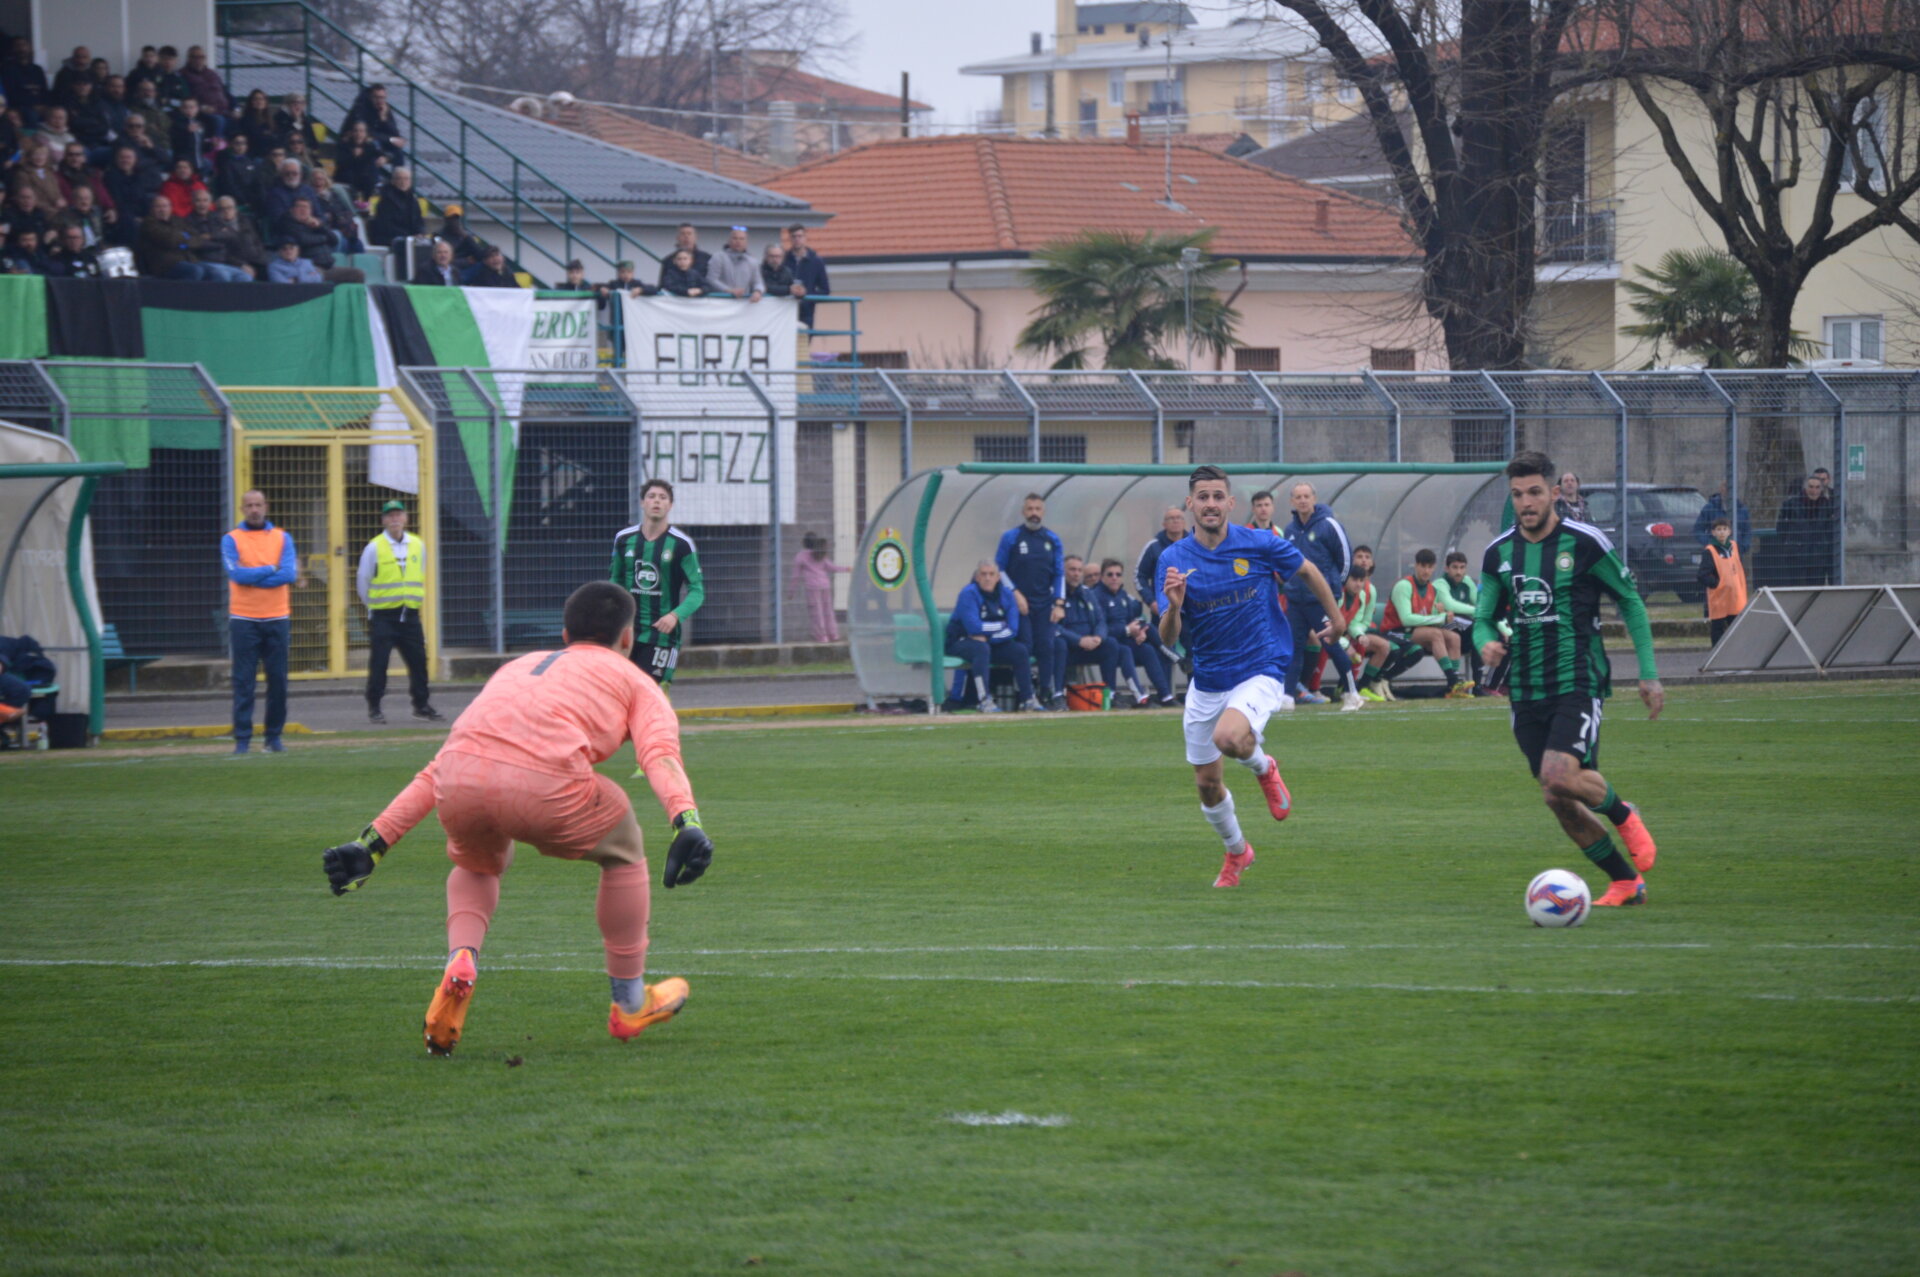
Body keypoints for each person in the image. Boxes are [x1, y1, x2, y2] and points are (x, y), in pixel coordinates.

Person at [319, 580, 713, 1056]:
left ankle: (462, 958)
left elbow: (442, 765)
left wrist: (373, 843)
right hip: (544, 786)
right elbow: (660, 753)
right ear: (627, 639)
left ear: (565, 634)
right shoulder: (637, 681)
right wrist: (684, 819)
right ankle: (630, 1003)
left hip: (460, 782)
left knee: (476, 864)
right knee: (626, 844)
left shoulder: (516, 667)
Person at [1473, 450, 1662, 909]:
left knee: (1559, 774)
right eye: (1518, 494)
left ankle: (1623, 815)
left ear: (1554, 493)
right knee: (1556, 794)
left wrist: (1649, 674)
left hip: (1577, 678)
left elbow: (1630, 602)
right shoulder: (1499, 552)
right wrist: (1484, 642)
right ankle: (1624, 881)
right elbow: (1482, 617)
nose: (1526, 502)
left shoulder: (1585, 542)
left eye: (1535, 492)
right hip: (1525, 688)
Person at [1157, 465, 1343, 888]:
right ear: (1190, 504)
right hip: (1207, 678)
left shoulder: (1259, 543)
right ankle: (1238, 852)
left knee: (1229, 738)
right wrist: (1173, 606)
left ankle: (1263, 766)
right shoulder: (1173, 560)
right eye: (1202, 497)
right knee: (1207, 784)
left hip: (1261, 666)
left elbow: (1309, 571)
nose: (1210, 504)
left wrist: (1337, 619)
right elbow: (1169, 637)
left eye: (1217, 496)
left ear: (1230, 503)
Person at [609, 478, 705, 691]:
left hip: (661, 636)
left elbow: (697, 591)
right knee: (621, 692)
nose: (657, 502)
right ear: (642, 502)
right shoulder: (624, 539)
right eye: (651, 496)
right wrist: (614, 617)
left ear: (670, 505)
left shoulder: (681, 544)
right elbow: (614, 582)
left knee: (652, 693)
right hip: (626, 632)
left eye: (663, 498)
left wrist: (675, 615)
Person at [223, 489, 298, 755]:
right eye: (249, 505)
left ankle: (273, 737)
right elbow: (236, 574)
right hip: (244, 619)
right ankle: (242, 739)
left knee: (278, 680)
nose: (254, 509)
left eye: (258, 504)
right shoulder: (231, 539)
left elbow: (289, 573)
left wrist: (255, 575)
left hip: (277, 617)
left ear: (265, 507)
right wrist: (269, 569)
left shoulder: (282, 538)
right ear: (242, 509)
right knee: (244, 681)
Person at [357, 499, 442, 724]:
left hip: (410, 614)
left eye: (398, 515)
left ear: (405, 518)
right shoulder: (374, 547)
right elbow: (363, 581)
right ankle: (374, 705)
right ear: (383, 520)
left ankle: (421, 705)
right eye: (389, 516)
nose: (394, 519)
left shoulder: (417, 544)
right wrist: (374, 607)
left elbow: (420, 571)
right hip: (384, 615)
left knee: (418, 661)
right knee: (379, 663)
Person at [1281, 481, 1361, 711]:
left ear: (1314, 498)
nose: (1303, 500)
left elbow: (1345, 558)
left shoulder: (1329, 525)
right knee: (1292, 647)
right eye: (1298, 497)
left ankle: (1351, 693)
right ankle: (1287, 696)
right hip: (1296, 599)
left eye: (1307, 496)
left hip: (1321, 601)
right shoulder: (1290, 530)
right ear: (1292, 502)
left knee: (1333, 644)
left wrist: (1335, 587)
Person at [995, 492, 1066, 711]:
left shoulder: (1052, 539)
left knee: (1047, 646)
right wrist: (1015, 594)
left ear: (1043, 512)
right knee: (1024, 648)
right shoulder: (1011, 537)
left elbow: (1059, 573)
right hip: (1020, 605)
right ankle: (1025, 695)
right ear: (1023, 512)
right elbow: (999, 569)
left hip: (1045, 603)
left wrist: (1059, 603)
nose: (1034, 513)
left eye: (1037, 509)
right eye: (1030, 509)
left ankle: (1046, 692)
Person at [942, 559, 1033, 713]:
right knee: (981, 649)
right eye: (983, 574)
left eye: (991, 574)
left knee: (1020, 651)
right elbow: (973, 627)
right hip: (960, 642)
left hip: (989, 643)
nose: (987, 578)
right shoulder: (968, 593)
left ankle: (1028, 699)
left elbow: (1013, 629)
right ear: (977, 577)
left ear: (998, 578)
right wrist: (1000, 626)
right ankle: (984, 700)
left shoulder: (1007, 594)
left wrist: (990, 637)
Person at [1379, 548, 1469, 697]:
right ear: (1416, 566)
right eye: (1423, 566)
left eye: (1429, 567)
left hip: (1415, 632)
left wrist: (1441, 614)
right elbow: (1406, 619)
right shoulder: (1404, 586)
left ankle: (1454, 685)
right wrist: (1440, 618)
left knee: (1454, 638)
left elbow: (1430, 620)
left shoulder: (1432, 590)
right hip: (1395, 631)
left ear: (1434, 568)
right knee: (1435, 634)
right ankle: (1454, 682)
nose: (1426, 571)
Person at [1091, 556, 1174, 706]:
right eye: (1110, 574)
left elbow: (1136, 618)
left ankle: (1166, 696)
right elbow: (1100, 627)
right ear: (1102, 577)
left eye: (1118, 574)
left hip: (1125, 640)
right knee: (1123, 650)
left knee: (1147, 649)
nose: (1114, 578)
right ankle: (1139, 697)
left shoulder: (1123, 596)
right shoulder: (1096, 596)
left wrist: (1139, 630)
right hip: (1107, 644)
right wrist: (1128, 630)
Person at [1053, 555, 1118, 702]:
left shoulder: (1087, 593)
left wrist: (1098, 637)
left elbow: (1101, 620)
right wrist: (1078, 640)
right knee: (1059, 644)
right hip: (1069, 648)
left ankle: (1110, 695)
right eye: (1072, 569)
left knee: (1111, 644)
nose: (1076, 573)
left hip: (1089, 646)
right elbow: (1053, 627)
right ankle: (1057, 694)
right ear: (1063, 571)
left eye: (1079, 570)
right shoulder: (1056, 594)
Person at [1774, 472, 1837, 586]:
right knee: (1797, 588)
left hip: (1818, 556)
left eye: (1817, 487)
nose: (1814, 491)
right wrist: (1788, 544)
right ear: (1805, 488)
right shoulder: (1791, 504)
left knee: (1816, 589)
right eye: (1811, 487)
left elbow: (1831, 529)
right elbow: (1781, 527)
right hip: (1797, 554)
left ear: (1822, 489)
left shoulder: (1827, 505)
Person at [1696, 514, 1748, 646]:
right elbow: (1702, 575)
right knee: (1718, 627)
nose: (1722, 532)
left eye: (1724, 529)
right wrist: (1717, 584)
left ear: (1729, 531)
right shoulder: (1710, 551)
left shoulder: (1734, 547)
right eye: (1718, 529)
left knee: (1736, 627)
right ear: (1713, 532)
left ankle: (1735, 652)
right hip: (1720, 597)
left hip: (1736, 596)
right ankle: (1716, 656)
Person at [792, 531, 850, 643]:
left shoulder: (800, 556)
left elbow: (795, 576)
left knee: (816, 612)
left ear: (804, 542)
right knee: (828, 611)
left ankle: (822, 637)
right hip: (825, 586)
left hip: (812, 588)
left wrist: (791, 592)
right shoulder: (820, 553)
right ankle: (833, 634)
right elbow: (832, 567)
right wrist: (847, 569)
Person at [1135, 505, 1187, 616]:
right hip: (1164, 611)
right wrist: (1152, 602)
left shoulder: (1195, 546)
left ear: (1184, 522)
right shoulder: (1153, 547)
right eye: (1171, 518)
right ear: (1164, 524)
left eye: (1179, 518)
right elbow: (1139, 577)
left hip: (1191, 612)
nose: (1175, 521)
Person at [785, 223, 829, 327]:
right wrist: (789, 290)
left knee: (803, 343)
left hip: (806, 313)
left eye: (800, 236)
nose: (797, 239)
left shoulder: (816, 262)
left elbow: (825, 290)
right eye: (794, 236)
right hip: (785, 311)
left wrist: (807, 294)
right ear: (789, 239)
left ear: (805, 238)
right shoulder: (783, 260)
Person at [708, 225, 761, 300]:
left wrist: (758, 291)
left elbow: (758, 281)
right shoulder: (718, 257)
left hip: (743, 304)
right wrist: (730, 291)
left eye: (741, 239)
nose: (738, 241)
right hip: (721, 302)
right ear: (729, 241)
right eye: (735, 238)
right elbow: (711, 279)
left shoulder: (752, 261)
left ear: (746, 242)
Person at [1693, 484, 1751, 550]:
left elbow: (1747, 531)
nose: (1728, 493)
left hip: (1737, 551)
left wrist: (1743, 546)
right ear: (1721, 490)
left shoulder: (1742, 509)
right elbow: (1698, 530)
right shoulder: (1710, 508)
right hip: (1716, 551)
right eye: (1725, 490)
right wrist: (1710, 543)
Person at [656, 222, 709, 290]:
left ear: (696, 237)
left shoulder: (706, 259)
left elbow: (710, 283)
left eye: (689, 234)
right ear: (677, 238)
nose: (686, 237)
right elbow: (663, 285)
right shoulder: (668, 261)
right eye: (683, 234)